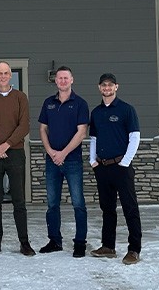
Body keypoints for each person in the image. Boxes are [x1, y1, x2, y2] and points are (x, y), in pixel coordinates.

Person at [0, 60, 34, 256]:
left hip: (15, 153)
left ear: (10, 75)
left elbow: (24, 125)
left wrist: (7, 144)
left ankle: (24, 242)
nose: (3, 76)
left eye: (6, 73)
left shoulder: (20, 97)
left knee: (19, 200)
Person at [88, 73, 143, 265]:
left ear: (116, 87)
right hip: (102, 167)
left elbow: (134, 137)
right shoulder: (96, 112)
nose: (107, 88)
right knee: (107, 209)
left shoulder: (127, 110)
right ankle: (108, 246)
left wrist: (125, 162)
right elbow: (93, 138)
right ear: (99, 88)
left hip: (122, 167)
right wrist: (92, 160)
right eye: (104, 85)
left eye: (110, 85)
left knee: (130, 208)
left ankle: (134, 249)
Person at [37, 66, 89, 257]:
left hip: (72, 160)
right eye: (60, 78)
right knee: (52, 204)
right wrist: (51, 152)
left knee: (78, 203)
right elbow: (42, 129)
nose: (63, 81)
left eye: (66, 78)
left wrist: (63, 153)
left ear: (72, 80)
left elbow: (81, 132)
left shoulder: (80, 104)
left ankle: (80, 243)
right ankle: (54, 241)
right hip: (52, 161)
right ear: (55, 81)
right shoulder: (48, 103)